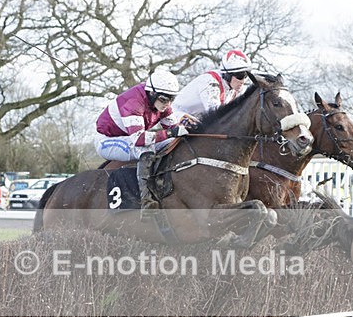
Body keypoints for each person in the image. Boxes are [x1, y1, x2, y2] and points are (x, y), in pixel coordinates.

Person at [95, 67, 188, 218]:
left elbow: (173, 128)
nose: (167, 104)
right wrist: (171, 133)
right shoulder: (133, 103)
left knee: (173, 142)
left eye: (172, 99)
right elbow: (139, 139)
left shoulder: (161, 102)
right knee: (145, 149)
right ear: (152, 93)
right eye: (164, 99)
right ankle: (147, 202)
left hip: (130, 137)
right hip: (107, 141)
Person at [173, 49, 253, 119]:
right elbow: (216, 114)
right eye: (240, 76)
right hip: (177, 113)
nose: (243, 81)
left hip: (197, 117)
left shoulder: (236, 88)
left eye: (246, 76)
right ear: (227, 75)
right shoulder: (210, 82)